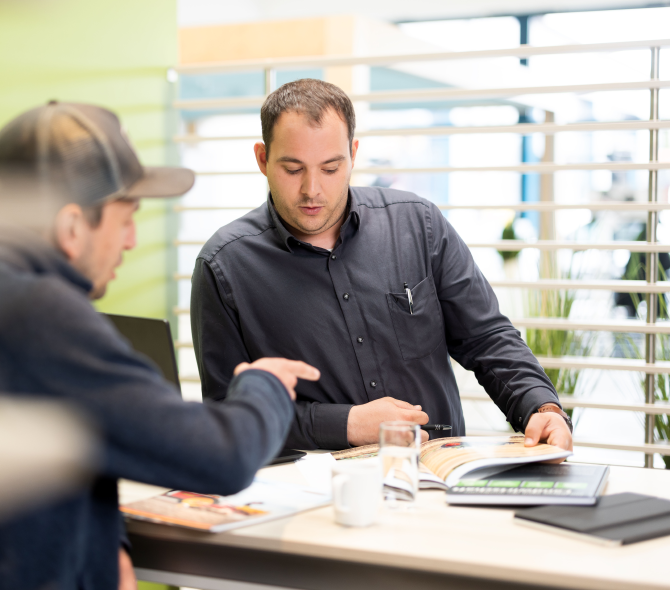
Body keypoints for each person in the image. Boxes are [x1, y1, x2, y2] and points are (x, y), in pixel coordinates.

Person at [0, 101, 320, 590]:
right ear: (72, 227)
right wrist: (261, 384)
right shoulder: (33, 314)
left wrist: (107, 540)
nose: (132, 240)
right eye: (126, 216)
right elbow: (222, 458)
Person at [191, 79, 573, 453]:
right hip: (316, 495)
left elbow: (486, 337)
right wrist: (346, 423)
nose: (312, 190)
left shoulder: (418, 225)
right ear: (262, 159)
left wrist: (540, 406)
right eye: (293, 169)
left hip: (436, 478)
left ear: (353, 155)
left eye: (330, 168)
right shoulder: (224, 267)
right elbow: (228, 415)